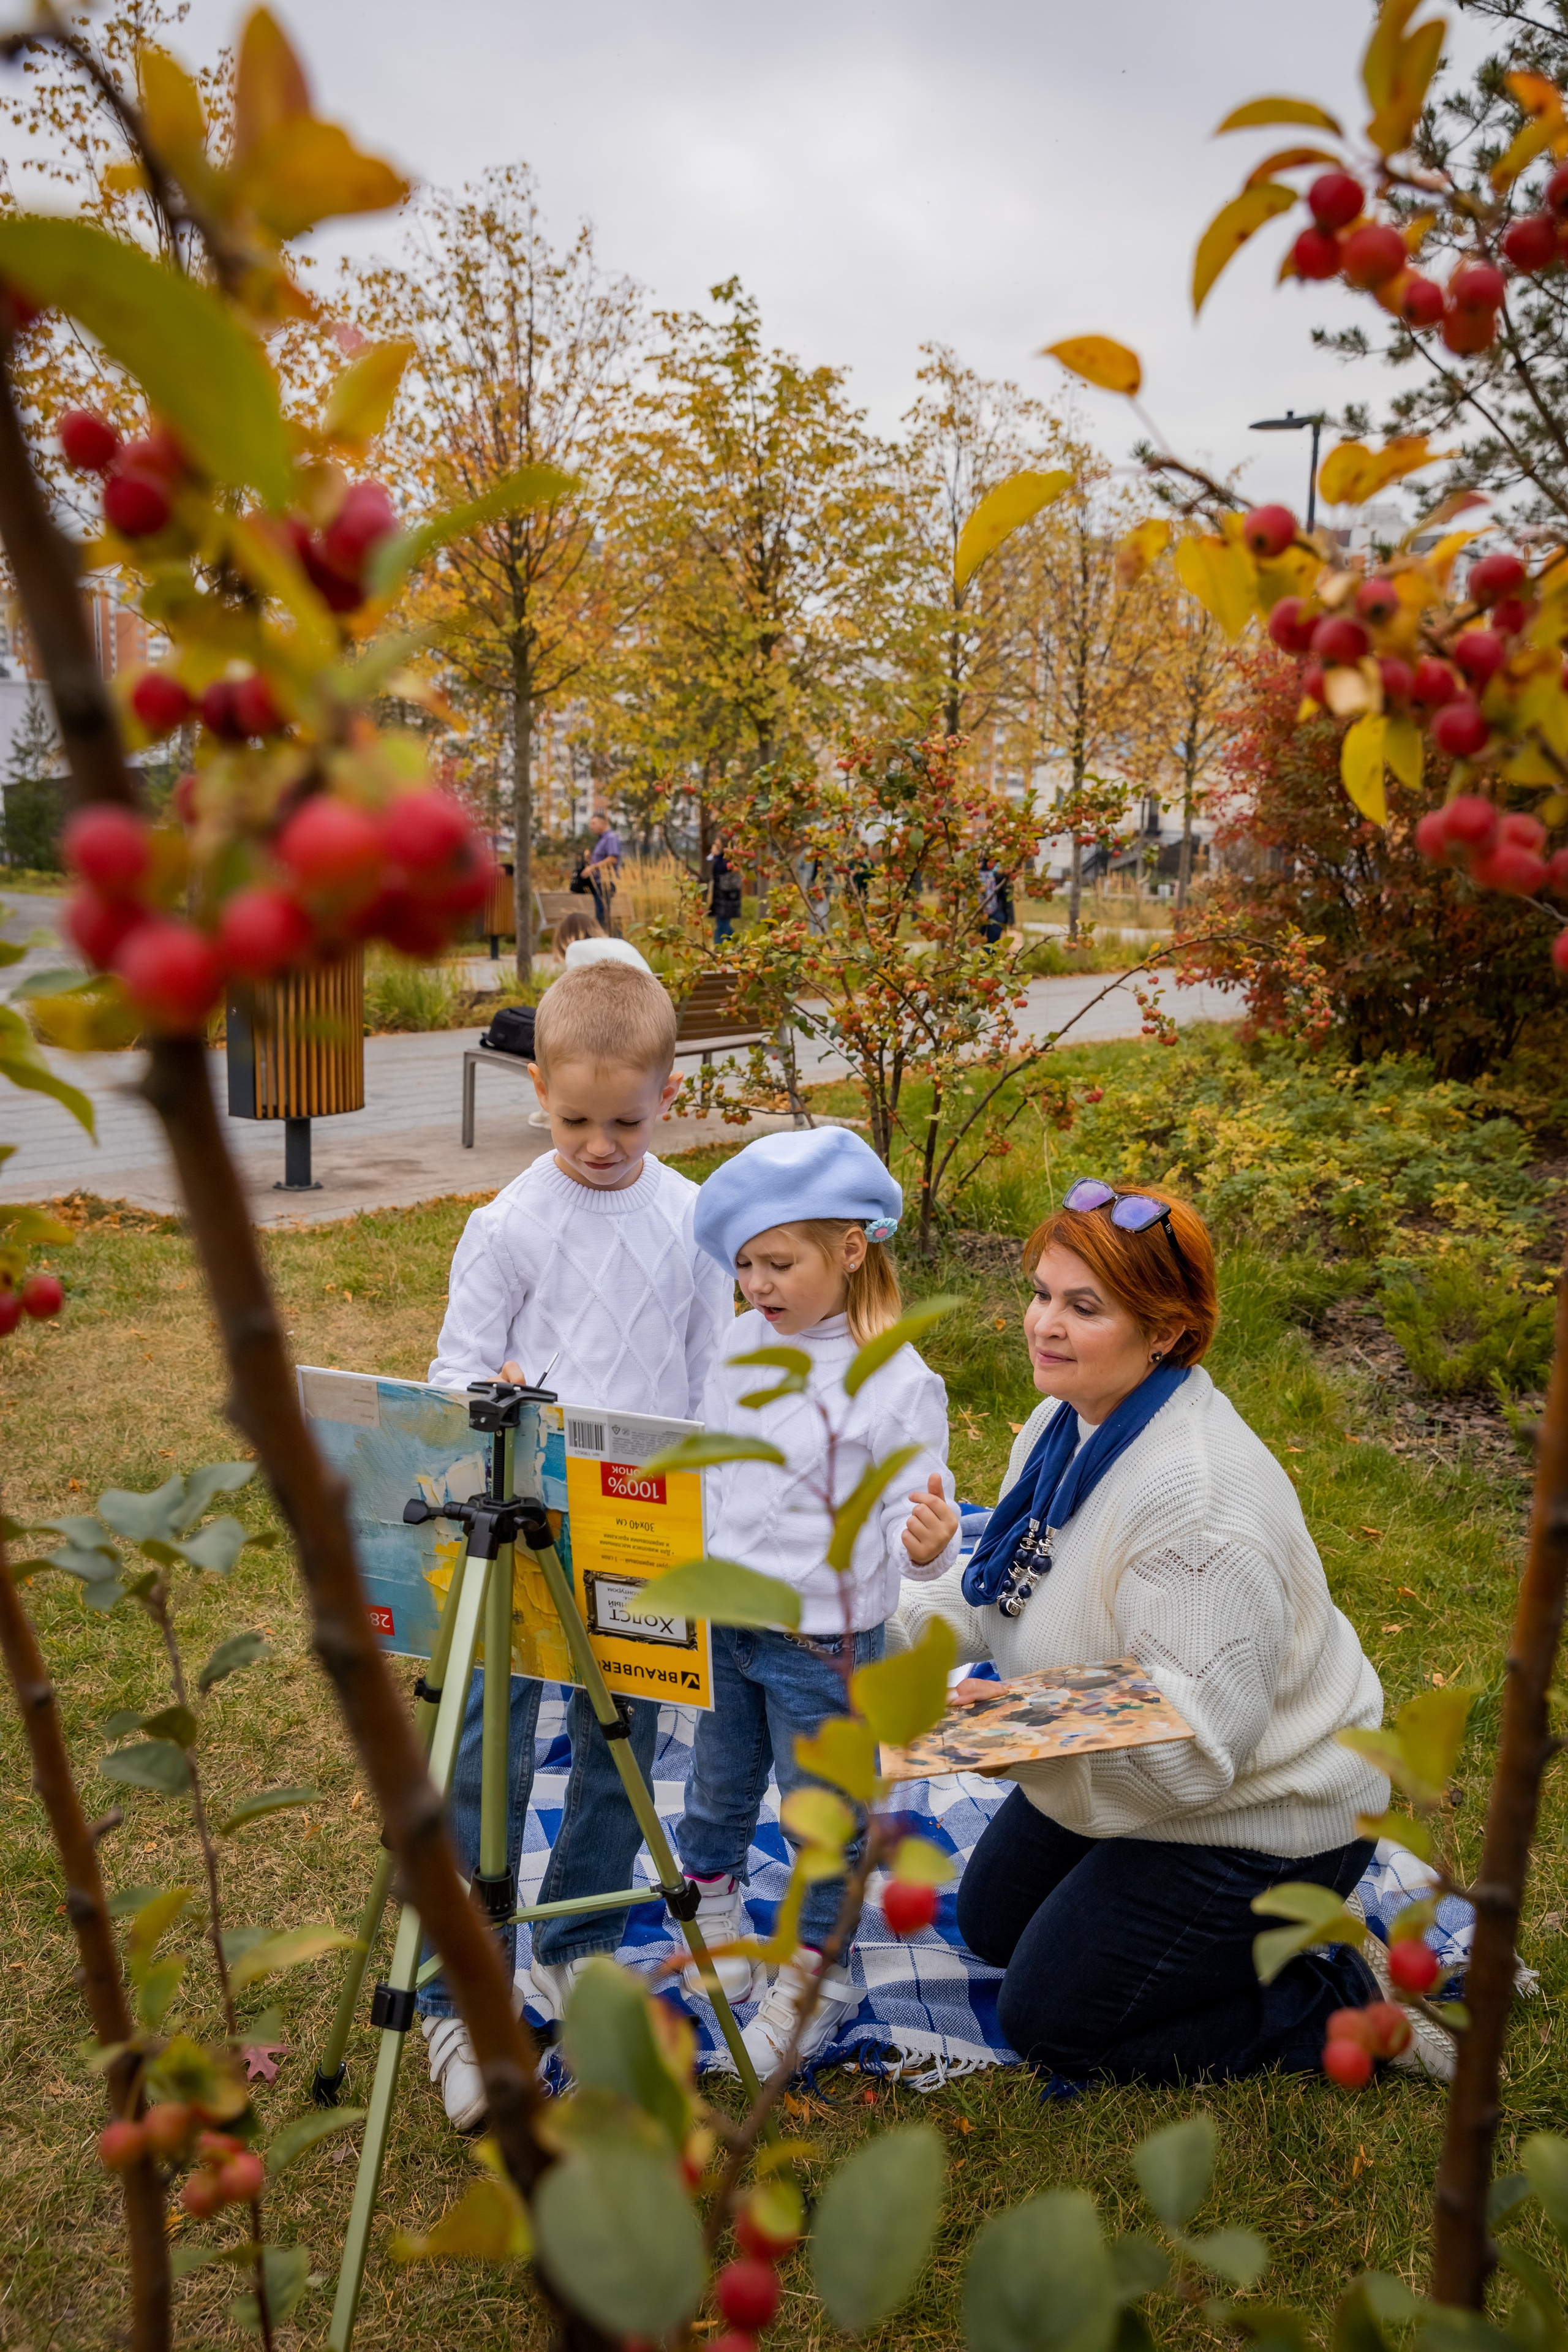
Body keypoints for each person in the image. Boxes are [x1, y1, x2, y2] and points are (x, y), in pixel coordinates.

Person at [891, 1178, 1427, 2085]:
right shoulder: (1066, 1421)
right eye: (1042, 1294)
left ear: (1168, 1332)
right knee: (991, 1926)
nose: (1043, 1325)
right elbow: (1011, 1585)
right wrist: (876, 1636)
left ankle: (1337, 1998)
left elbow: (1195, 1748)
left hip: (1262, 1811)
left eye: (1084, 1308)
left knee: (1052, 2022)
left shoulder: (1196, 1510)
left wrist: (992, 1732)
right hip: (1142, 1758)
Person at [420, 959, 734, 2129]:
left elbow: (712, 1375)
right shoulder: (506, 1225)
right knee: (485, 1743)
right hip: (515, 1521)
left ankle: (584, 1937)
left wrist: (709, 1494)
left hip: (640, 1520)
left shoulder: (696, 1221)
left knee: (624, 1734)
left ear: (668, 1098)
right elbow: (453, 1374)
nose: (601, 1147)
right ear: (539, 1091)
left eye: (627, 1124)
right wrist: (486, 1388)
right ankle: (467, 1983)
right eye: (576, 1123)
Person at [679, 1127, 961, 2071]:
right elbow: (716, 1467)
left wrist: (926, 1545)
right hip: (730, 1620)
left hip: (822, 1644)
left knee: (821, 1811)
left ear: (848, 1250)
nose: (757, 1285)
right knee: (717, 1781)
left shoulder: (895, 1381)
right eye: (745, 1265)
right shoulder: (738, 1343)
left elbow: (911, 1508)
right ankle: (713, 1905)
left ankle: (814, 1972)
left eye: (779, 1263)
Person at [586, 811, 621, 931]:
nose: (591, 826)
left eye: (594, 823)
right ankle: (603, 936)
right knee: (600, 916)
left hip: (605, 882)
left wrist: (593, 868)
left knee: (603, 917)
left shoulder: (610, 838)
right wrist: (591, 860)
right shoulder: (602, 840)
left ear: (603, 823)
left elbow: (613, 859)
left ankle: (605, 937)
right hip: (599, 883)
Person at [709, 846, 742, 944]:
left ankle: (719, 948)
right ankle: (738, 943)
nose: (713, 847)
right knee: (723, 924)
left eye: (715, 844)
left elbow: (722, 868)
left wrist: (717, 857)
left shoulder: (726, 862)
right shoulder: (723, 861)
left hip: (726, 900)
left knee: (722, 926)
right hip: (722, 900)